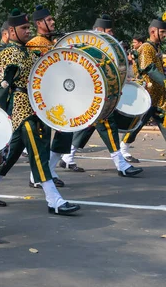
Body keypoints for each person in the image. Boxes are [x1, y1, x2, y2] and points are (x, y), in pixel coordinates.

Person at [0, 9, 81, 215]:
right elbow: (0, 83)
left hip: (34, 105)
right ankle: (54, 200)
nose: (28, 31)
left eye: (28, 27)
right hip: (20, 107)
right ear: (12, 30)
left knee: (14, 152)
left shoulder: (27, 51)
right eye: (24, 28)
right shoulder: (8, 53)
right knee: (38, 151)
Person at [59, 15, 143, 176]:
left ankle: (67, 157)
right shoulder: (84, 45)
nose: (112, 34)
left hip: (97, 94)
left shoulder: (104, 47)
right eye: (109, 31)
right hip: (89, 94)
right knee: (107, 125)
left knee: (88, 126)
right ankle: (121, 165)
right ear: (100, 30)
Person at [25, 5, 69, 188]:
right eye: (49, 20)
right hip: (42, 99)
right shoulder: (33, 43)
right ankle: (37, 176)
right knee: (41, 139)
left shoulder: (53, 43)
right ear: (39, 23)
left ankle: (48, 170)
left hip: (57, 97)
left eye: (52, 19)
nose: (53, 22)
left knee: (65, 133)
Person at [120, 16, 166, 161]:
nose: (165, 35)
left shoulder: (155, 47)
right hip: (148, 95)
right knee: (137, 124)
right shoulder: (146, 48)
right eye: (163, 32)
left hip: (159, 97)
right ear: (153, 31)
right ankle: (123, 150)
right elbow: (150, 69)